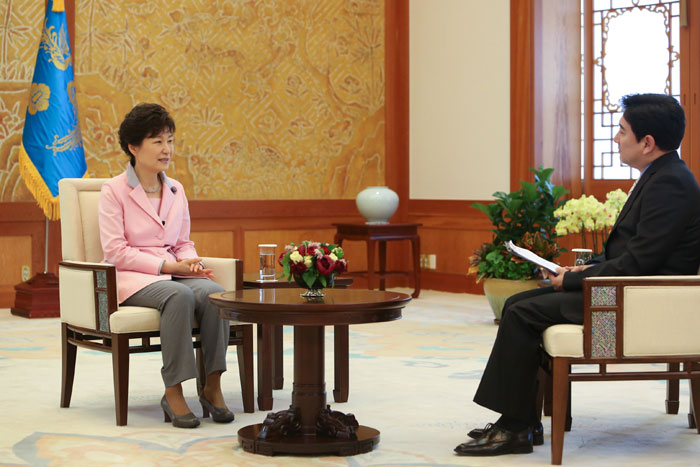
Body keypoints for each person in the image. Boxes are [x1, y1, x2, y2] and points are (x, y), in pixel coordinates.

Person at [455, 93, 700, 456]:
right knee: (519, 303)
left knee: (522, 312)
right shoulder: (662, 176)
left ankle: (516, 428)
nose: (617, 138)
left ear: (647, 143)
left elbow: (640, 263)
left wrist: (571, 280)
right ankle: (521, 420)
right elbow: (632, 252)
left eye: (622, 131)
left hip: (638, 305)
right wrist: (584, 269)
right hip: (625, 291)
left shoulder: (671, 183)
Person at [98, 103, 234, 428]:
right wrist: (169, 268)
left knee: (215, 294)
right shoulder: (113, 191)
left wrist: (191, 261)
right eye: (157, 141)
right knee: (180, 296)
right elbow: (116, 251)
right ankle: (173, 390)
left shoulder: (176, 189)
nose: (167, 149)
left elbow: (182, 240)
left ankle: (212, 384)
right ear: (133, 147)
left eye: (170, 140)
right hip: (133, 278)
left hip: (173, 272)